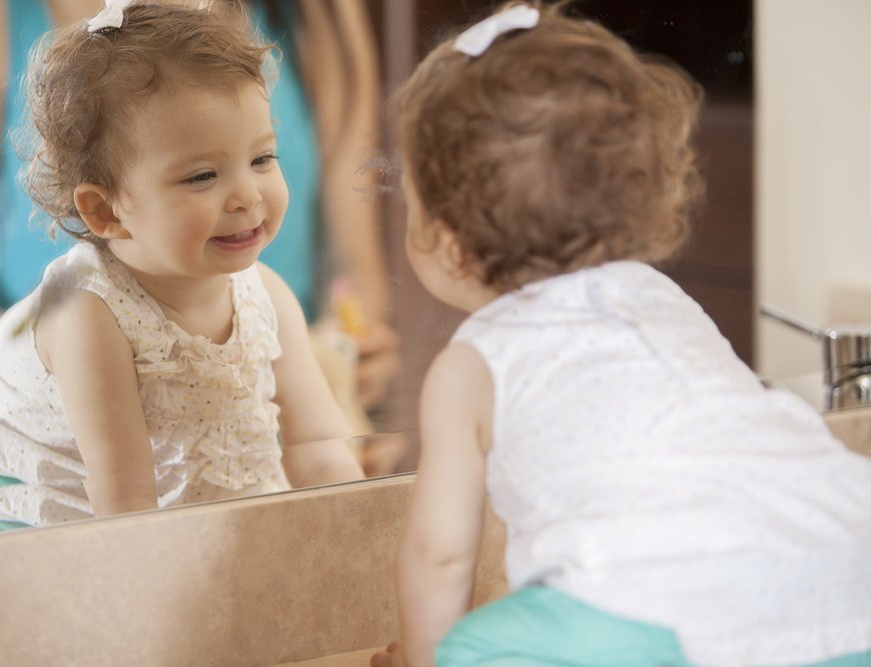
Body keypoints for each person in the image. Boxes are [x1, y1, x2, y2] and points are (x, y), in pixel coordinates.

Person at [372, 3, 871, 666]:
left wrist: (422, 657)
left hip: (651, 608)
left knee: (474, 646)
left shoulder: (474, 361)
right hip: (842, 565)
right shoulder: (661, 298)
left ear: (449, 240)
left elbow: (440, 554)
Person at [0, 0, 365, 540]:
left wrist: (356, 528)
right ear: (106, 211)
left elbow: (318, 446)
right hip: (19, 514)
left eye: (261, 159)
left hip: (148, 498)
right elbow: (127, 508)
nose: (247, 196)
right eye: (203, 176)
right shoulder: (89, 315)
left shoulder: (268, 298)